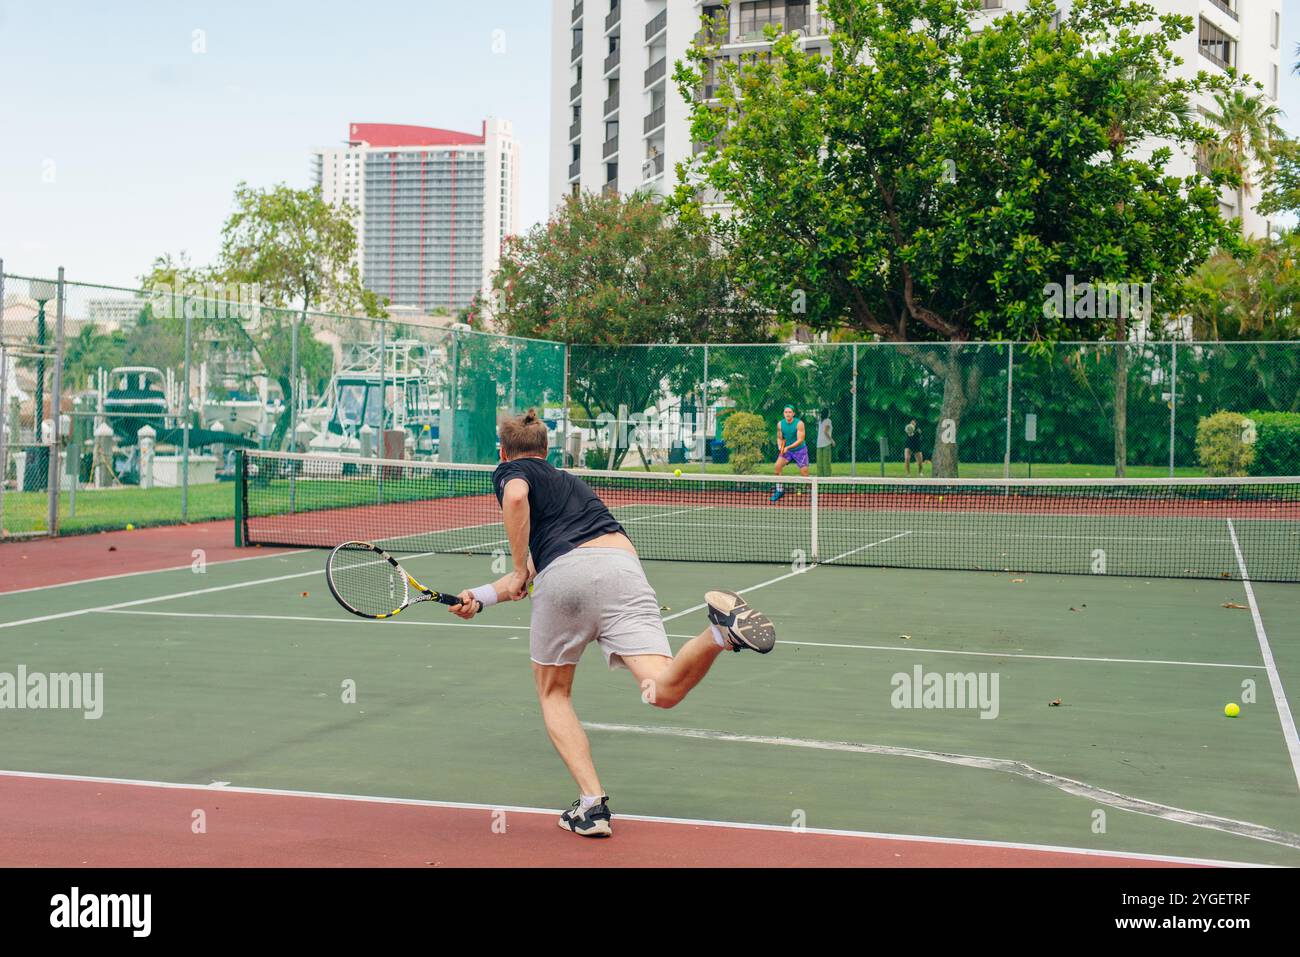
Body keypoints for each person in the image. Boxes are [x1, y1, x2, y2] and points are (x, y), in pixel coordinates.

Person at [448, 409, 777, 838]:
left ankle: (592, 806)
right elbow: (526, 577)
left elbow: (515, 501)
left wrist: (513, 566)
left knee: (553, 694)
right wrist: (482, 596)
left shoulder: (512, 471)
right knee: (662, 690)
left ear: (505, 452)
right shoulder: (571, 486)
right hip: (623, 568)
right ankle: (719, 633)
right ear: (549, 452)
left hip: (566, 576)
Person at [771, 405, 809, 503]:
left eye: (789, 412)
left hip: (800, 450)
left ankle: (810, 493)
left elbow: (800, 440)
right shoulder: (780, 424)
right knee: (777, 467)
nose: (787, 414)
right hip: (787, 450)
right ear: (784, 414)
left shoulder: (799, 424)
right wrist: (780, 447)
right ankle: (779, 490)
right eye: (786, 412)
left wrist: (787, 447)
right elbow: (779, 437)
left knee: (804, 473)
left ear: (793, 414)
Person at [815, 408, 835, 478]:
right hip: (826, 443)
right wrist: (832, 440)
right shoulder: (828, 421)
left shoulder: (820, 421)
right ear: (827, 413)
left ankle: (820, 476)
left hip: (819, 443)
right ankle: (827, 477)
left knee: (819, 462)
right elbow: (826, 432)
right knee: (826, 461)